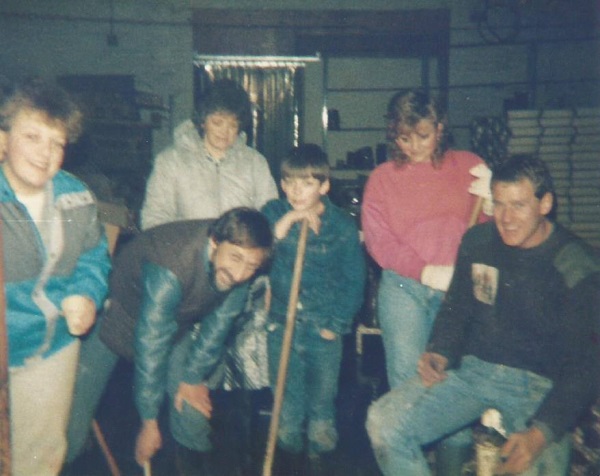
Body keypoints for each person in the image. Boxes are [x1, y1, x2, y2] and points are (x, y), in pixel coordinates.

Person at [366, 155, 600, 476]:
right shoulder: (478, 242)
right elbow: (458, 307)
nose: (506, 218)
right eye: (499, 204)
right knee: (384, 423)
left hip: (540, 386)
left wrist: (541, 433)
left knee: (533, 467)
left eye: (518, 205)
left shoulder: (575, 264)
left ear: (545, 203)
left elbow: (587, 364)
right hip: (474, 371)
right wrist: (440, 350)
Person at [65, 207, 273, 475]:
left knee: (192, 414)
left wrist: (191, 378)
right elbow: (152, 345)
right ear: (214, 242)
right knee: (70, 428)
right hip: (115, 319)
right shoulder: (171, 264)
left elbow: (217, 329)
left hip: (175, 325)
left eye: (252, 266)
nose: (241, 273)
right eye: (235, 259)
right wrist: (149, 422)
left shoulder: (240, 266)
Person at [0, 77, 111, 475]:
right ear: (3, 139)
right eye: (32, 136)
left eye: (57, 142)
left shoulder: (76, 195)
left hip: (52, 345)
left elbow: (94, 255)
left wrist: (86, 292)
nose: (45, 153)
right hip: (5, 339)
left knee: (43, 453)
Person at [361, 88, 492, 391]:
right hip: (405, 289)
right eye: (404, 138)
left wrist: (491, 205)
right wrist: (426, 272)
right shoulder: (382, 179)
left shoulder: (470, 166)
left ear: (440, 128)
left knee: (455, 380)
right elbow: (380, 243)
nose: (414, 147)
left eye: (423, 136)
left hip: (459, 288)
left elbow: (488, 235)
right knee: (409, 380)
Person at [261, 144, 367, 475]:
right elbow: (261, 248)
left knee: (322, 405)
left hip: (323, 327)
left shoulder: (341, 227)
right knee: (286, 407)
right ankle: (289, 461)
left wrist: (335, 324)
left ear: (324, 186)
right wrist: (291, 218)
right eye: (289, 182)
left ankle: (322, 461)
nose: (296, 190)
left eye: (306, 183)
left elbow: (354, 281)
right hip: (281, 325)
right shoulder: (273, 212)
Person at [140, 78, 278, 230]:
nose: (225, 132)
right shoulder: (170, 161)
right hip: (187, 251)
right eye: (217, 123)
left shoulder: (255, 163)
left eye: (233, 125)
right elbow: (154, 218)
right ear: (202, 121)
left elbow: (270, 216)